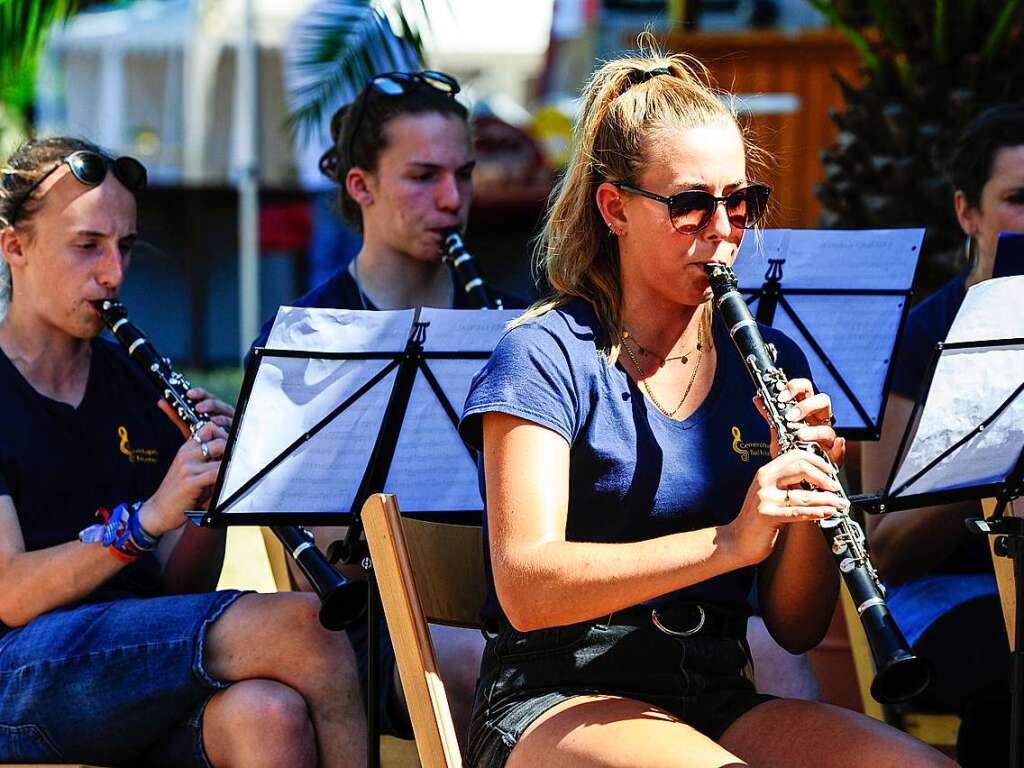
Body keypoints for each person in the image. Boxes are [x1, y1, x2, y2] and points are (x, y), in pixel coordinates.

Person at [457, 50, 955, 768]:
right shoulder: (544, 354)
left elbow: (795, 625)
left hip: (712, 689)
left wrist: (813, 498)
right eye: (690, 204)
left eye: (740, 201)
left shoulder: (772, 359)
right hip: (558, 693)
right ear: (614, 208)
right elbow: (528, 588)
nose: (722, 229)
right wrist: (730, 542)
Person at [0, 137, 365, 767]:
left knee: (268, 717)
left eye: (125, 247)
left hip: (132, 661)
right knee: (310, 627)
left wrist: (207, 500)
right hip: (20, 672)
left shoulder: (133, 381)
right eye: (87, 245)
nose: (113, 273)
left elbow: (182, 582)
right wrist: (146, 521)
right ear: (15, 248)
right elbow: (9, 591)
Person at [252, 70, 526, 744]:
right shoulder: (310, 341)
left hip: (521, 601)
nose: (452, 199)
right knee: (470, 661)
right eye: (422, 176)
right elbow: (316, 567)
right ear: (360, 186)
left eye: (462, 175)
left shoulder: (516, 327)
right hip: (379, 628)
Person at [862, 101, 1024, 767]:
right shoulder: (924, 335)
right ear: (968, 213)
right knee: (1013, 685)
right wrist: (987, 451)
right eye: (1017, 199)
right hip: (947, 594)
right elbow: (886, 550)